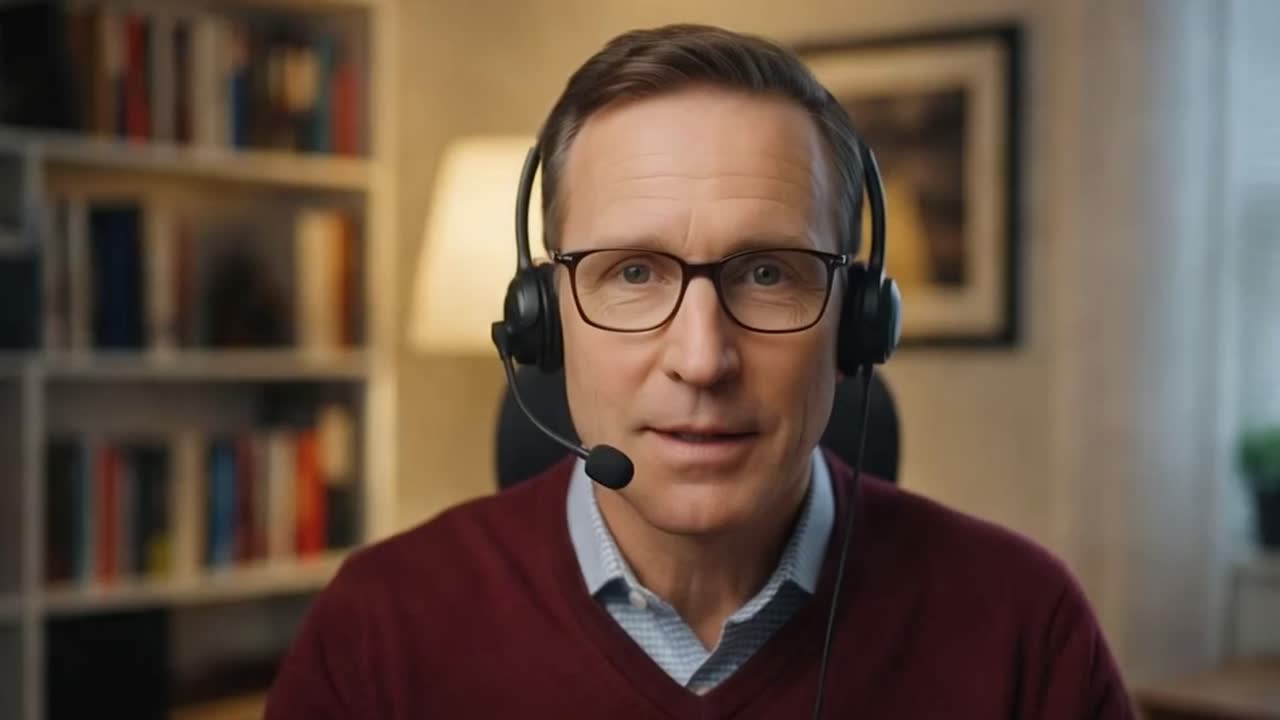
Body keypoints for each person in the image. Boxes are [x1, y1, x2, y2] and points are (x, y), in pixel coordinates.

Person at [265, 24, 1133, 719]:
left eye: (769, 272)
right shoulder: (378, 630)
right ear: (546, 319)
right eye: (634, 273)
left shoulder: (1026, 627)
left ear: (856, 323)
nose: (703, 358)